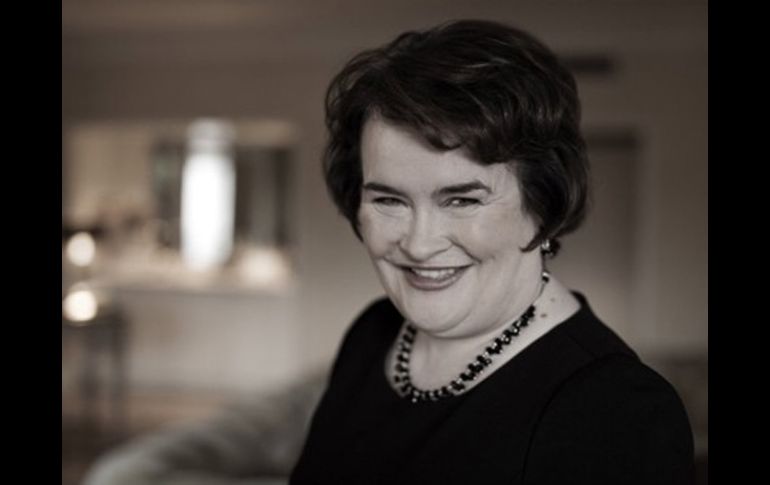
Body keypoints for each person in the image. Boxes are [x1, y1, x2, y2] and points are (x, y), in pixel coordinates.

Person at [289, 19, 695, 484]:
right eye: (389, 200)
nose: (419, 244)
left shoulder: (618, 413)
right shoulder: (373, 334)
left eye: (462, 200)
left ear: (542, 205)